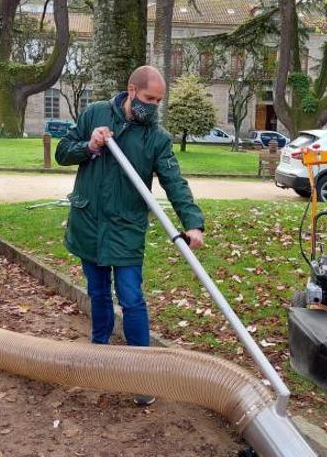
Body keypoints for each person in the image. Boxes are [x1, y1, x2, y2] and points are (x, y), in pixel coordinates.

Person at [56, 66, 204, 406]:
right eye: (149, 99)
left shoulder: (156, 137)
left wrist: (193, 222)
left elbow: (175, 182)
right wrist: (90, 145)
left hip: (125, 228)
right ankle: (100, 355)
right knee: (97, 292)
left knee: (131, 298)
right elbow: (62, 152)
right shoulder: (95, 113)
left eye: (159, 101)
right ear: (131, 89)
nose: (153, 107)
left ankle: (142, 371)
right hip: (89, 223)